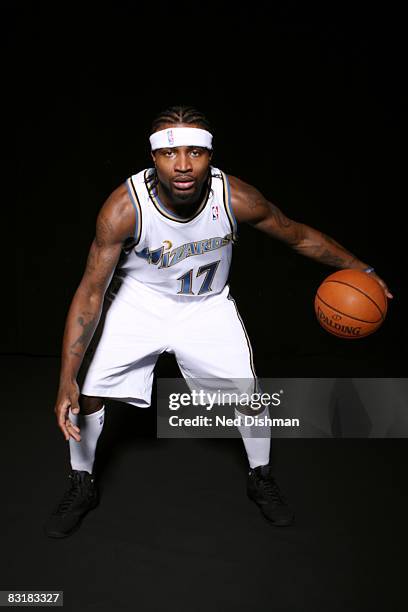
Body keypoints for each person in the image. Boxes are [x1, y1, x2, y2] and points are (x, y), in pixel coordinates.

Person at [44, 105, 392, 538]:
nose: (184, 165)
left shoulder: (235, 198)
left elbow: (298, 235)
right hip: (141, 303)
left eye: (196, 153)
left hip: (206, 306)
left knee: (249, 394)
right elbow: (91, 292)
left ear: (210, 156)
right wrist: (66, 377)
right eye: (171, 154)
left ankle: (260, 475)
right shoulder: (123, 209)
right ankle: (82, 481)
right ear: (154, 158)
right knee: (90, 391)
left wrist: (364, 270)